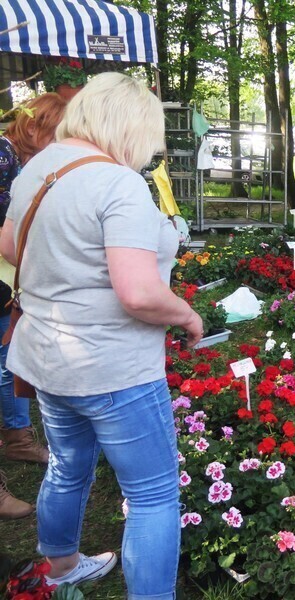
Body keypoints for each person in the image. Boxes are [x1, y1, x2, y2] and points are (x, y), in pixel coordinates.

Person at [0, 73, 203, 596]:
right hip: (112, 367)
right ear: (131, 125)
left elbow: (8, 244)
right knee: (154, 493)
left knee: (68, 468)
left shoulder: (37, 168)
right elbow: (138, 293)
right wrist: (185, 315)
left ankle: (62, 567)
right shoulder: (117, 183)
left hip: (48, 359)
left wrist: (63, 276)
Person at [0, 92, 67, 520]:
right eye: (56, 134)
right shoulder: (4, 158)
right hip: (4, 270)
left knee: (8, 357)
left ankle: (17, 438)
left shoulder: (16, 159)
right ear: (34, 127)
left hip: (6, 277)